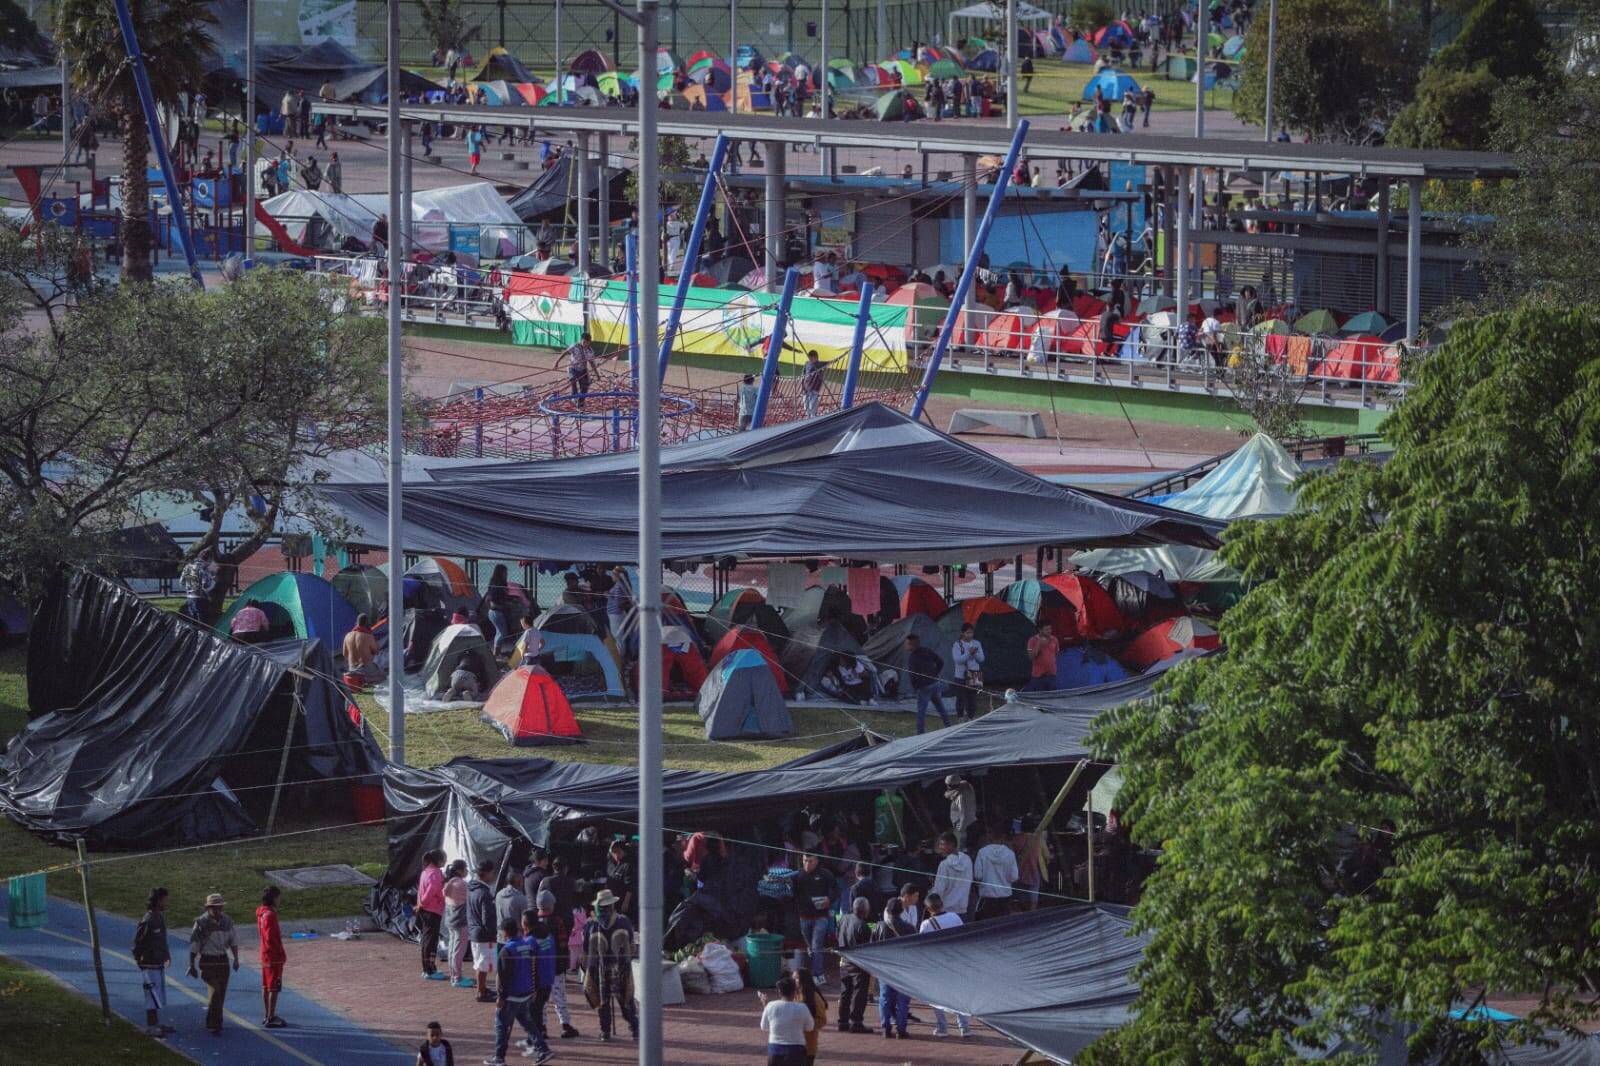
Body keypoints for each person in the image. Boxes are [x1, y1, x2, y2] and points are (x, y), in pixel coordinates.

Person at [489, 916, 552, 1066]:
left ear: (505, 932)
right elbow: (533, 968)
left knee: (501, 1026)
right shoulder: (527, 946)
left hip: (512, 996)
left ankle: (499, 1057)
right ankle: (543, 1049)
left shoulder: (506, 951)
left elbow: (504, 977)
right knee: (528, 1024)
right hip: (526, 994)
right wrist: (534, 988)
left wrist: (501, 997)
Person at [582, 889, 638, 1041]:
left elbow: (586, 950)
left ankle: (605, 1031)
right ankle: (635, 1028)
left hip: (600, 969)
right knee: (626, 999)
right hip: (621, 968)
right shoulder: (623, 921)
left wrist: (587, 966)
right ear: (612, 905)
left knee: (602, 1000)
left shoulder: (591, 925)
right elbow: (632, 946)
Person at [918, 893, 972, 1037]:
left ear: (928, 909)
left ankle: (942, 1027)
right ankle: (964, 1026)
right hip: (955, 962)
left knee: (936, 997)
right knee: (959, 995)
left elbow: (922, 946)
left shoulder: (926, 924)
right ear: (942, 904)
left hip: (936, 965)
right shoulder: (955, 917)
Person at [187, 892, 240, 1035]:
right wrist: (191, 964)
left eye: (219, 907)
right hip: (208, 961)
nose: (217, 910)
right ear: (208, 908)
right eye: (214, 907)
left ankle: (217, 1020)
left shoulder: (227, 922)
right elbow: (194, 945)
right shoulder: (200, 923)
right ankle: (212, 1023)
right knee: (215, 991)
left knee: (221, 993)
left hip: (223, 960)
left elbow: (233, 941)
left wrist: (236, 959)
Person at [535, 889, 582, 1039]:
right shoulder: (558, 922)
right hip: (556, 967)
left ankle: (541, 1027)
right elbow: (563, 945)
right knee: (559, 995)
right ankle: (565, 1025)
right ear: (552, 905)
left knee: (541, 999)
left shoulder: (535, 924)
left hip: (540, 969)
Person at [133, 887, 175, 1037]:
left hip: (157, 962)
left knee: (158, 994)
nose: (167, 902)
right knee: (151, 994)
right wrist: (139, 959)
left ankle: (156, 1023)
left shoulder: (159, 917)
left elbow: (162, 940)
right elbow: (138, 941)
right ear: (158, 901)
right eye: (165, 900)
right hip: (149, 963)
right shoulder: (148, 919)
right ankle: (151, 1026)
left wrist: (166, 955)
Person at [872, 899, 914, 1038]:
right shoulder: (909, 927)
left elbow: (872, 947)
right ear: (901, 911)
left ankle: (886, 1027)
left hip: (884, 968)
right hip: (903, 968)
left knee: (885, 998)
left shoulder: (879, 926)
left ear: (887, 910)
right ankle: (901, 1029)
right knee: (902, 1000)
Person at [793, 853, 836, 983]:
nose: (807, 864)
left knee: (817, 945)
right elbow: (792, 895)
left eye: (810, 861)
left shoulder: (825, 874)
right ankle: (815, 972)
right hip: (804, 917)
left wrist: (830, 899)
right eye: (805, 861)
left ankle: (817, 975)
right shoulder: (798, 875)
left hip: (821, 916)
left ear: (816, 860)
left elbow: (836, 890)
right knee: (811, 947)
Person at [834, 897, 873, 1034]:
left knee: (845, 991)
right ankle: (856, 1022)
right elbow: (868, 947)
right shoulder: (863, 925)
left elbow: (837, 934)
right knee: (859, 993)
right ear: (865, 910)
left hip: (844, 960)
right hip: (857, 964)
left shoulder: (843, 919)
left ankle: (843, 1021)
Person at [758, 973, 815, 1065]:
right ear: (795, 991)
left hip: (775, 1051)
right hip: (797, 1051)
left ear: (779, 992)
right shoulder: (802, 1007)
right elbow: (810, 1027)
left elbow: (764, 1027)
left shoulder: (771, 1005)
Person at [904, 633, 950, 734]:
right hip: (935, 683)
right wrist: (935, 674)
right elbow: (940, 661)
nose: (905, 645)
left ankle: (920, 734)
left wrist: (916, 687)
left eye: (907, 644)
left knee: (921, 711)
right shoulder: (927, 650)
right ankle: (948, 726)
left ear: (912, 645)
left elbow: (913, 676)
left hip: (924, 687)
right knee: (940, 707)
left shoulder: (913, 658)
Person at [467, 859, 498, 1003]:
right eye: (492, 873)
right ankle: (481, 991)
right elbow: (488, 918)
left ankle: (482, 988)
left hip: (474, 930)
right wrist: (493, 933)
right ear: (487, 873)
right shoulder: (484, 893)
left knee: (479, 962)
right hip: (483, 934)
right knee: (483, 964)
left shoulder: (472, 890)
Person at [256, 886, 288, 1028]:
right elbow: (271, 937)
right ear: (274, 898)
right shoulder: (270, 915)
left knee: (266, 985)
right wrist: (279, 952)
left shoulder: (262, 913)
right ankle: (271, 1016)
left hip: (265, 954)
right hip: (273, 955)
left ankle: (267, 1014)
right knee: (274, 987)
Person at [974, 823, 1020, 918]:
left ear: (990, 836)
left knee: (987, 925)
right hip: (1005, 896)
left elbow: (978, 875)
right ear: (1003, 837)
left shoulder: (982, 853)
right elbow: (1014, 877)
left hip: (987, 896)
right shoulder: (1010, 854)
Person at [415, 849, 448, 980]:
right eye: (444, 859)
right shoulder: (435, 874)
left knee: (426, 940)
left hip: (425, 910)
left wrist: (420, 904)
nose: (445, 862)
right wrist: (422, 903)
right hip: (431, 911)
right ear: (438, 860)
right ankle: (430, 970)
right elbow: (431, 891)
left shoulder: (426, 872)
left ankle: (427, 969)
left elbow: (421, 891)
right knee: (431, 941)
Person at [929, 831, 975, 918]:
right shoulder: (967, 860)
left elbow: (939, 890)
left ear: (951, 845)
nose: (939, 847)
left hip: (947, 910)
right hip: (963, 908)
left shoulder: (944, 865)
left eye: (942, 844)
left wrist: (931, 898)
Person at [442, 860, 472, 986]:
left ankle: (453, 974)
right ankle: (457, 978)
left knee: (452, 948)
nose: (467, 871)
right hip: (460, 921)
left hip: (450, 919)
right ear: (460, 870)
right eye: (465, 868)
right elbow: (470, 899)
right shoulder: (461, 884)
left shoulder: (449, 882)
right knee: (459, 950)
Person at [950, 623, 984, 721]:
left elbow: (981, 659)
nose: (970, 635)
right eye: (967, 633)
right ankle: (960, 717)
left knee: (972, 697)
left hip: (975, 674)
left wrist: (975, 653)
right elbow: (957, 660)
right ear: (962, 633)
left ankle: (971, 716)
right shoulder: (957, 644)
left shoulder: (977, 643)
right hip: (961, 675)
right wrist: (969, 653)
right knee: (960, 697)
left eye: (971, 632)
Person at [796, 968, 829, 1064]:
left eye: (796, 978)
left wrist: (806, 1025)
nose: (793, 981)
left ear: (803, 980)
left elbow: (822, 1020)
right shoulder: (794, 994)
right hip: (794, 1043)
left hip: (808, 1044)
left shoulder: (815, 997)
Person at [561, 331, 597, 406]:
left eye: (586, 342)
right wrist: (557, 362)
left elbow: (592, 364)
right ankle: (574, 396)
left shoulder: (590, 351)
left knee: (585, 385)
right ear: (581, 340)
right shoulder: (575, 346)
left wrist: (597, 375)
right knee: (573, 378)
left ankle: (581, 402)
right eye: (583, 341)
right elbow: (565, 353)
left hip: (583, 369)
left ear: (589, 342)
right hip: (572, 367)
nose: (584, 344)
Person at [945, 774, 978, 853]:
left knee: (961, 850)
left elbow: (963, 814)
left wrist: (960, 830)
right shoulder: (968, 787)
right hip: (971, 823)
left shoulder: (960, 796)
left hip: (964, 826)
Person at [800, 349, 838, 418]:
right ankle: (808, 417)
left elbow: (829, 362)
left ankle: (813, 417)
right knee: (806, 405)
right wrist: (802, 387)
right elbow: (803, 375)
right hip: (806, 388)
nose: (811, 360)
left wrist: (836, 360)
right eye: (810, 358)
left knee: (812, 405)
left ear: (816, 358)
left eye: (812, 358)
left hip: (814, 388)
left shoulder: (820, 364)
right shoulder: (807, 363)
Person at [1024, 621, 1061, 691]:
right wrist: (1039, 644)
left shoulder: (1054, 639)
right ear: (1040, 630)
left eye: (1050, 629)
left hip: (1051, 675)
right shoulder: (1032, 640)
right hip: (1038, 676)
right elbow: (1031, 657)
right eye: (1046, 629)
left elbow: (1056, 653)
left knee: (1053, 694)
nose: (1049, 631)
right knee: (1038, 693)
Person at [605, 838, 636, 919]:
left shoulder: (628, 865)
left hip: (622, 900)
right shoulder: (610, 864)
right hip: (611, 901)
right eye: (614, 852)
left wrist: (626, 903)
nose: (616, 855)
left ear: (624, 851)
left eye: (619, 852)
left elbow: (630, 887)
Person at [180, 550, 216, 621]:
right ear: (209, 559)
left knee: (192, 622)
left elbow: (181, 583)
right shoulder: (204, 568)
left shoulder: (188, 567)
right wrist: (213, 582)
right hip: (200, 599)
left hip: (189, 597)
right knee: (201, 623)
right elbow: (205, 586)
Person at [343, 613, 380, 681]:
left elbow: (345, 654)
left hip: (352, 669)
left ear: (357, 622)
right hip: (366, 670)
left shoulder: (347, 635)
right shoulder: (368, 636)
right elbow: (376, 652)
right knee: (385, 676)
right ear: (367, 623)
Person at [495, 876, 529, 942]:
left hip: (501, 937)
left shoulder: (498, 895)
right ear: (519, 882)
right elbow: (525, 922)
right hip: (517, 939)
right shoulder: (521, 899)